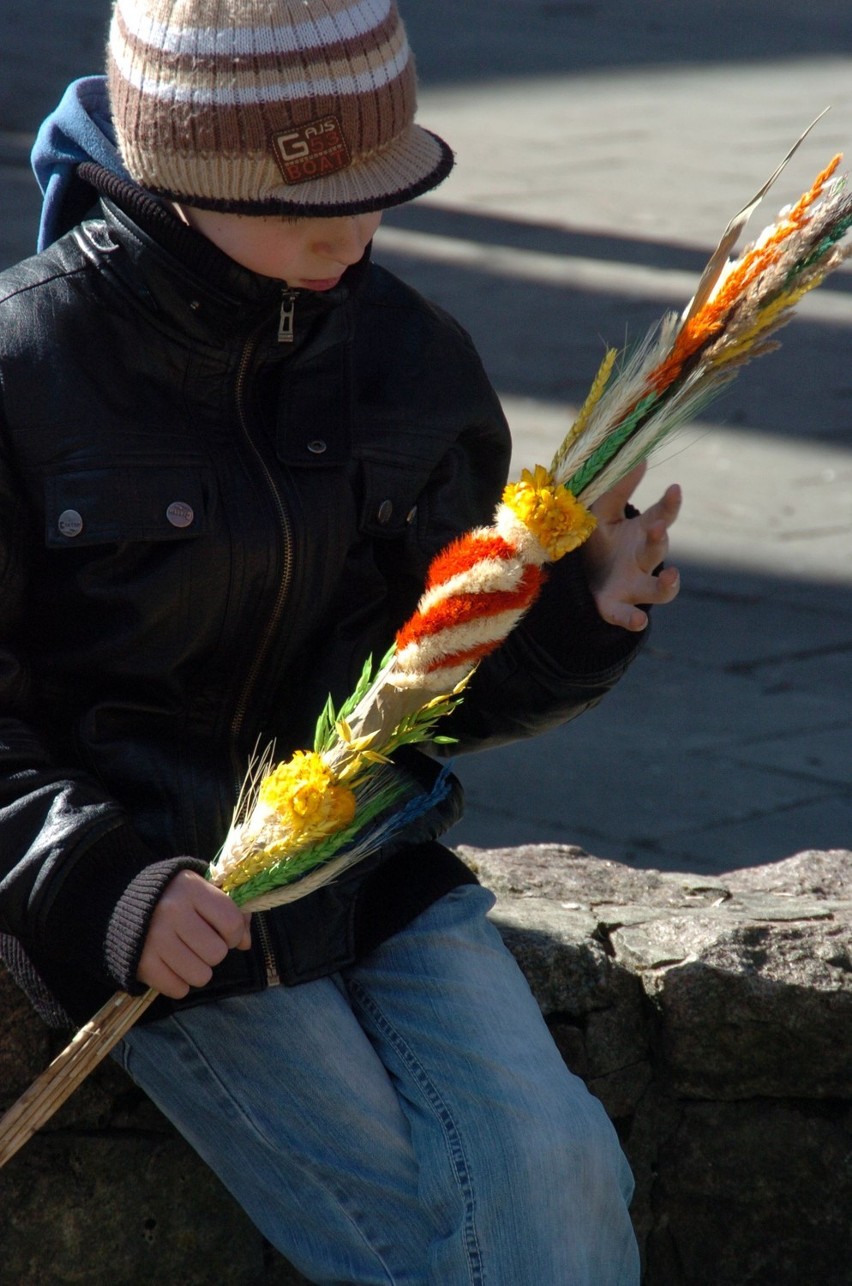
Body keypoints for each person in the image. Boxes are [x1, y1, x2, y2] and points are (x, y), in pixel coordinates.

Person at [0, 0, 681, 1280]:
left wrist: (582, 617)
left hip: (373, 870)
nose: (351, 232)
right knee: (424, 1231)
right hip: (166, 900)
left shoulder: (411, 356)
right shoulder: (28, 365)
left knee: (565, 1164)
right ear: (176, 168)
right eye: (304, 200)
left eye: (380, 191)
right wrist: (99, 883)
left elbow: (435, 677)